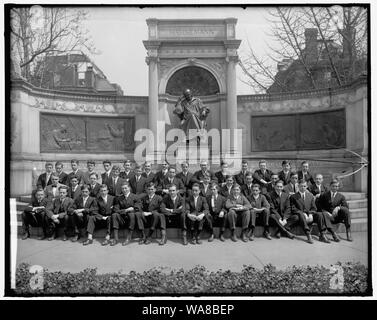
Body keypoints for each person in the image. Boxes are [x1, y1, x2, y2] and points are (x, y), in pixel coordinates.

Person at [290, 180, 330, 244]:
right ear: (298, 187)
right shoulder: (293, 196)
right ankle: (308, 234)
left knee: (319, 215)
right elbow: (293, 208)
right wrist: (303, 213)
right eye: (301, 186)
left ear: (307, 187)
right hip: (300, 216)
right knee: (301, 215)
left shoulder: (310, 196)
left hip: (309, 215)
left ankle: (322, 235)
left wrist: (310, 213)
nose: (303, 188)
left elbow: (314, 208)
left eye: (304, 186)